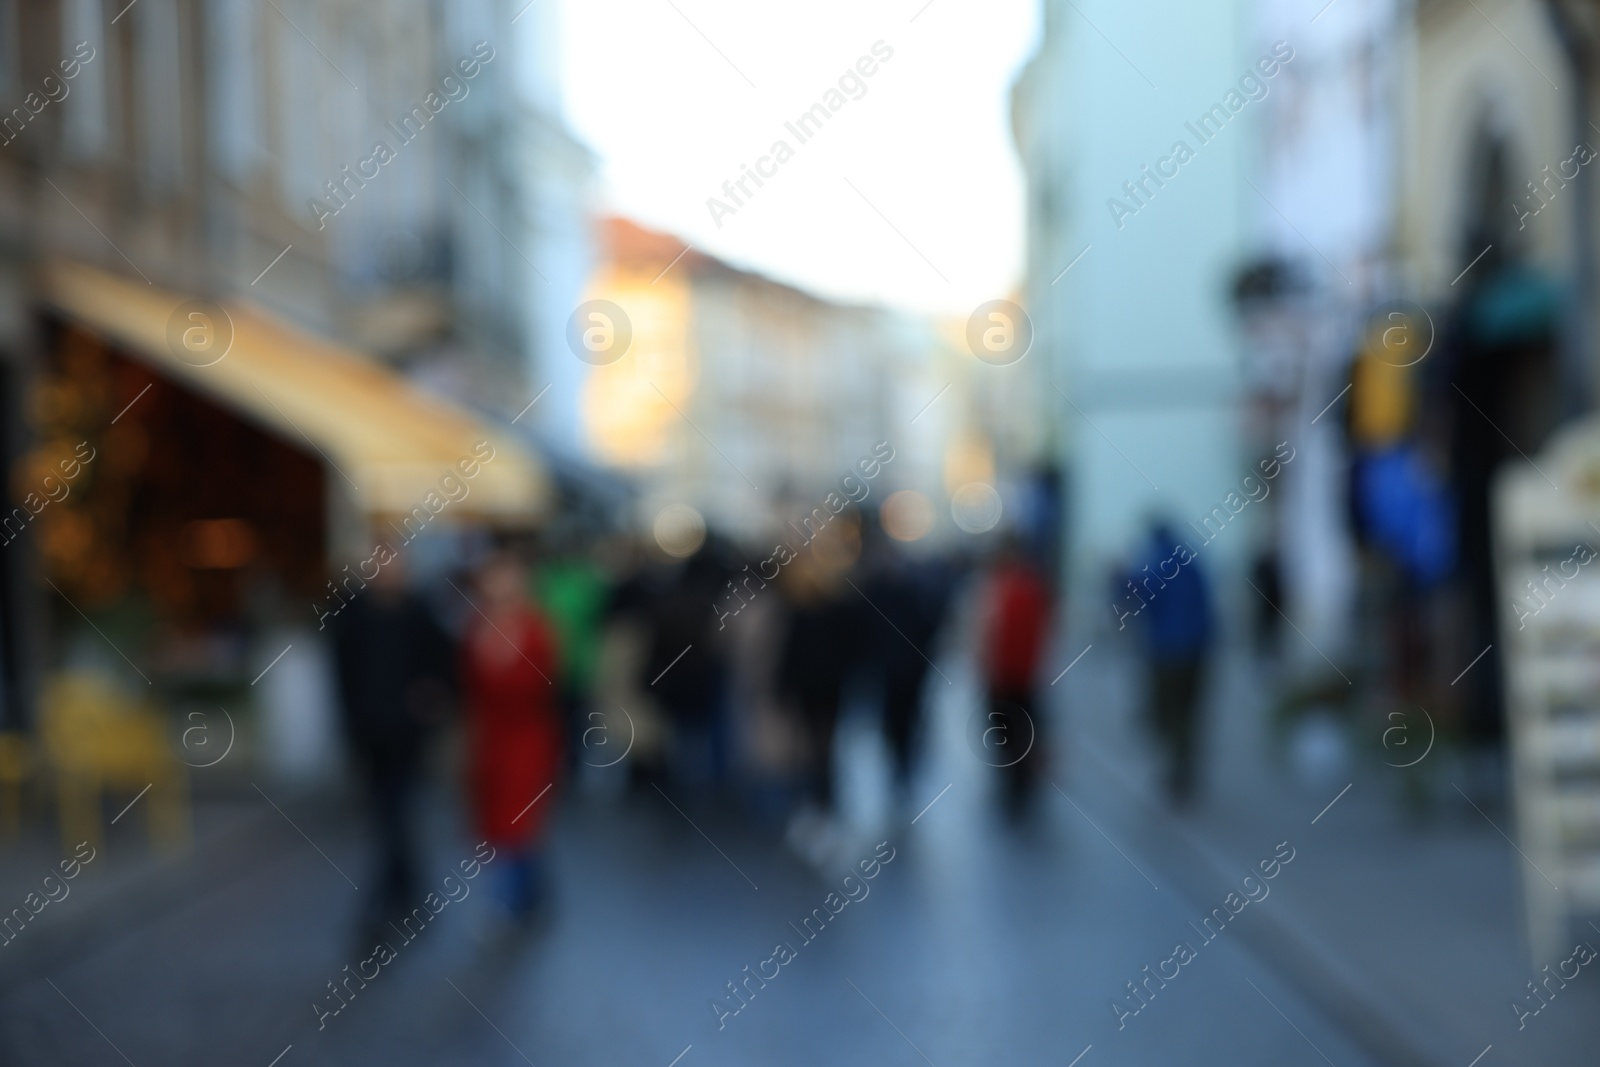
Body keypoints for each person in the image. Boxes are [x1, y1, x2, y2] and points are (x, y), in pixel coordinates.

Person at [329, 557, 455, 949]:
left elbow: (443, 664)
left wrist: (431, 701)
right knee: (390, 816)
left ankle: (377, 904)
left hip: (406, 737)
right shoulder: (355, 615)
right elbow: (343, 675)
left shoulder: (420, 612)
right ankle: (411, 891)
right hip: (371, 736)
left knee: (394, 815)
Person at [460, 551, 563, 924]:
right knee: (497, 821)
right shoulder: (477, 624)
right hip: (491, 740)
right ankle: (524, 895)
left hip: (528, 739)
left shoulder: (536, 626)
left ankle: (514, 899)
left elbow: (545, 681)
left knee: (520, 819)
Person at [1129, 520, 1215, 805]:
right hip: (1196, 650)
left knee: (1165, 711)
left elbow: (1142, 598)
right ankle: (1183, 770)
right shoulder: (1193, 562)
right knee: (1189, 712)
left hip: (1166, 652)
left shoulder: (1155, 562)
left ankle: (1176, 770)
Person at [980, 536, 1052, 819]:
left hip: (1005, 677)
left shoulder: (1000, 589)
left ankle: (1014, 783)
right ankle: (1020, 782)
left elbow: (991, 635)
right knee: (1022, 731)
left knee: (1006, 734)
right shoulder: (1033, 587)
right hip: (1025, 676)